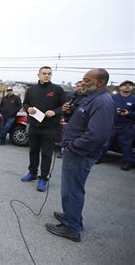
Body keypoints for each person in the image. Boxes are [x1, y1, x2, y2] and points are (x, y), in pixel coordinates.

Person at [45, 68, 115, 242]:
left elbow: (97, 135)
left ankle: (71, 228)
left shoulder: (103, 102)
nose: (82, 82)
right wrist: (69, 111)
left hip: (79, 153)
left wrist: (72, 146)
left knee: (73, 189)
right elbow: (81, 121)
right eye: (83, 79)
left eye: (87, 80)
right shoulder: (90, 98)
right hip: (75, 151)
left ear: (100, 82)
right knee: (70, 188)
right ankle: (72, 216)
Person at [21, 66, 66, 192]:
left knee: (46, 154)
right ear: (38, 75)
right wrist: (28, 109)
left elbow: (65, 106)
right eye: (44, 73)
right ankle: (32, 173)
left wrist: (55, 111)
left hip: (50, 127)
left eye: (49, 74)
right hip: (33, 125)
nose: (47, 75)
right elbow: (25, 103)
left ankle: (43, 179)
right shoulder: (31, 90)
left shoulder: (57, 90)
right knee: (33, 151)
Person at [96, 80, 134, 170]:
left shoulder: (134, 99)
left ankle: (128, 162)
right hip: (111, 124)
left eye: (130, 85)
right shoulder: (112, 97)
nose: (127, 87)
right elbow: (105, 109)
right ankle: (98, 158)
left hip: (127, 126)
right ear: (120, 87)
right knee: (105, 144)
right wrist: (114, 111)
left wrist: (128, 113)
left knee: (126, 145)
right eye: (125, 85)